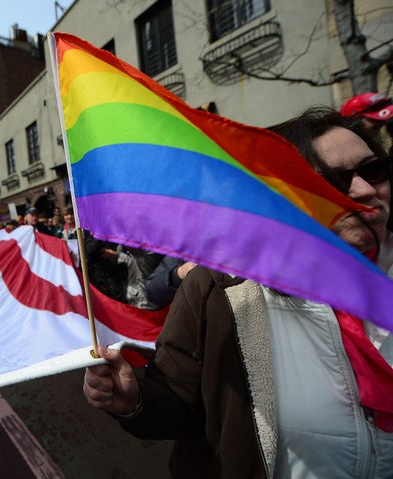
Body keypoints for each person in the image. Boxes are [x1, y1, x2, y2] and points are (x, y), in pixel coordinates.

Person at [83, 107, 393, 478]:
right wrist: (134, 400)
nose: (364, 190)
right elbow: (179, 401)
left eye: (373, 170)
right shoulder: (221, 287)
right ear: (285, 197)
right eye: (332, 181)